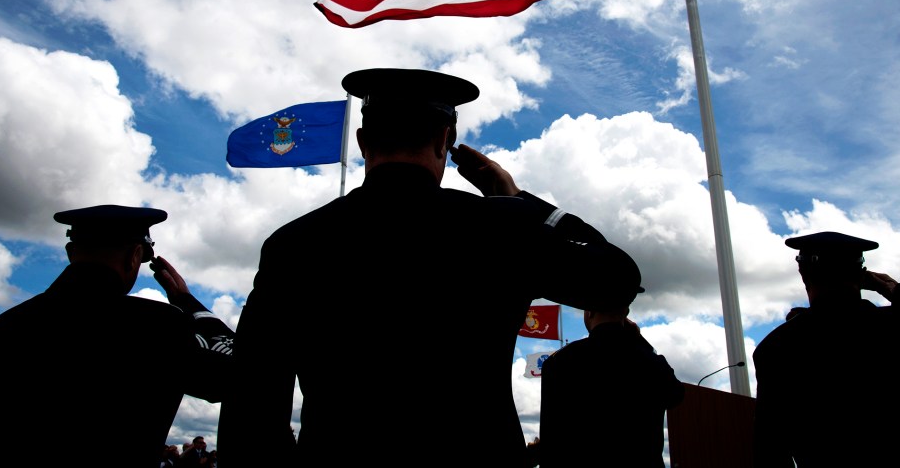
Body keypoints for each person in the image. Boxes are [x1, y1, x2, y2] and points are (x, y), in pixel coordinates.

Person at [217, 67, 643, 467]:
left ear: (364, 143)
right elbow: (618, 280)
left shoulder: (294, 243)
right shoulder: (499, 228)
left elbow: (253, 398)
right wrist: (519, 201)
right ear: (444, 139)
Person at [0, 204, 234, 467]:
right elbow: (235, 375)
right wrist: (189, 303)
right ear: (134, 255)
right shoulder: (157, 326)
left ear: (71, 252)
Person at [752, 231, 900, 467]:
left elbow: (770, 450)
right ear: (862, 275)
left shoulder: (777, 348)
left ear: (803, 274)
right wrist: (896, 289)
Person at [536, 299, 685, 467]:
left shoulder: (559, 362)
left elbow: (551, 437)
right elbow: (676, 395)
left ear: (590, 311)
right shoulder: (651, 362)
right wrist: (640, 341)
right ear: (626, 312)